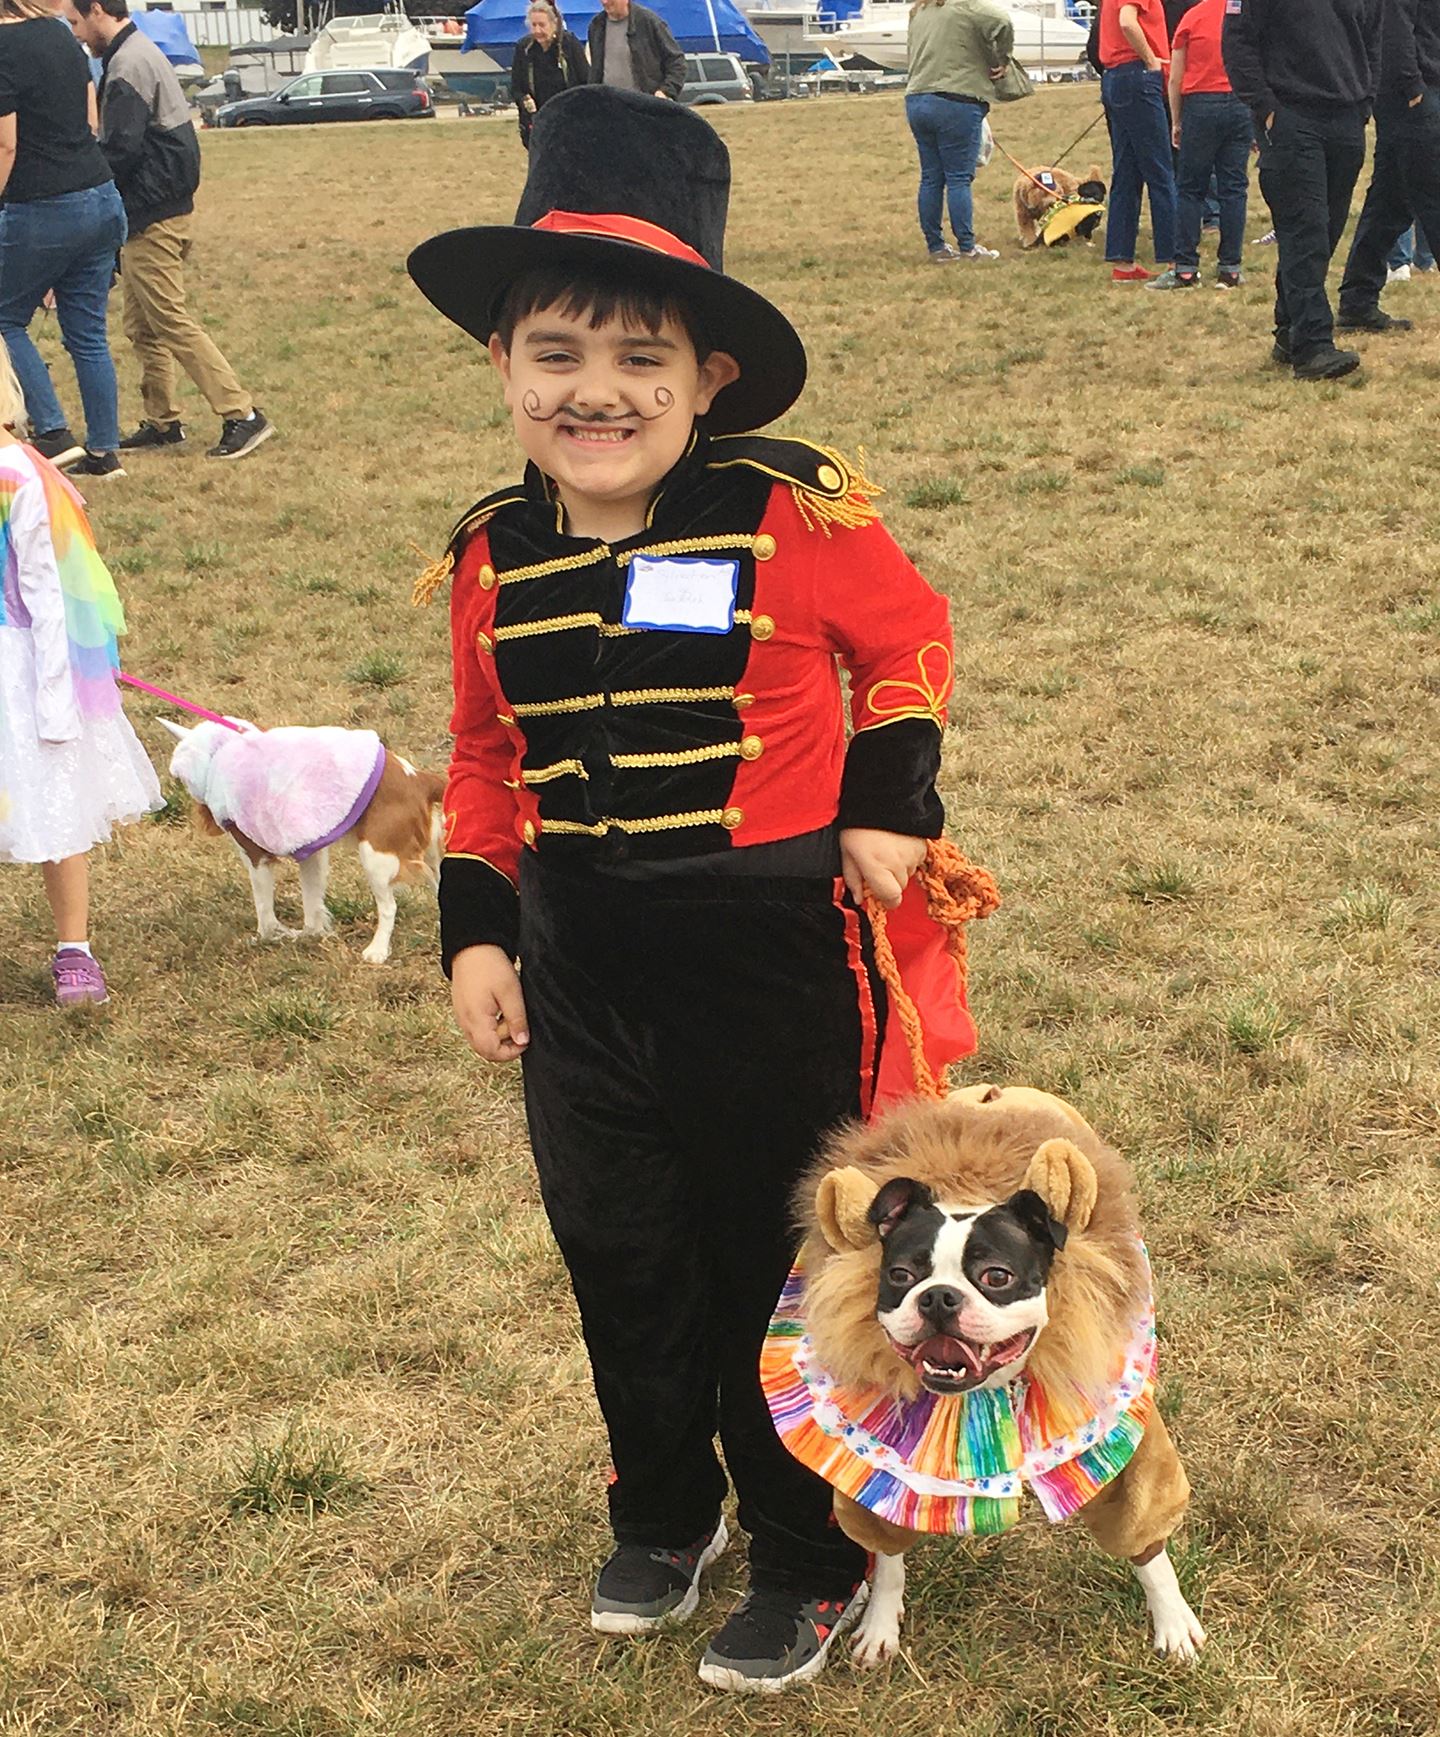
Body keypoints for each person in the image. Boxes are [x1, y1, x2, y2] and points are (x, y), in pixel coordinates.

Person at [407, 85, 973, 1692]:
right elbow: (480, 755)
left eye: (639, 359)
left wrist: (887, 802)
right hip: (582, 968)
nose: (596, 394)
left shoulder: (786, 505)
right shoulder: (488, 551)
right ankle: (663, 1505)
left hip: (768, 955)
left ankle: (805, 1549)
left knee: (767, 1258)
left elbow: (911, 638)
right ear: (506, 365)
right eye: (557, 357)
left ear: (706, 374)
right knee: (618, 1244)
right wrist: (475, 934)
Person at [0, 348, 160, 1005]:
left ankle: (75, 946)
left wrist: (54, 699)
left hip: (19, 668)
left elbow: (46, 592)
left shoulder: (15, 475)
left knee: (51, 803)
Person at [64, 0, 275, 460]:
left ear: (97, 11)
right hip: (157, 209)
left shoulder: (126, 66)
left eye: (76, 22)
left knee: (169, 320)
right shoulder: (136, 52)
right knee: (141, 325)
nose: (76, 35)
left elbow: (120, 150)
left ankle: (242, 414)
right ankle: (163, 422)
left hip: (151, 215)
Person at [1223, 0, 1383, 380]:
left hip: (1347, 118)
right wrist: (1266, 107)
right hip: (1291, 117)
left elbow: (1372, 40)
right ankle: (1313, 346)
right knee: (1305, 230)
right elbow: (1237, 42)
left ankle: (1288, 330)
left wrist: (1366, 99)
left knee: (1324, 233)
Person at [0, 0, 126, 480]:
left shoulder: (3, 47)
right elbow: (90, 117)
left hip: (44, 202)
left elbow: (6, 143)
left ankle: (52, 432)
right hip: (100, 194)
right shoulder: (59, 34)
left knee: (6, 317)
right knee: (88, 333)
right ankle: (103, 451)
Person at [1335, 0, 1440, 336]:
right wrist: (1413, 89)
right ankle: (1357, 300)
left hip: (1417, 98)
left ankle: (1357, 300)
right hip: (1413, 100)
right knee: (1431, 197)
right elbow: (1394, 32)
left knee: (1389, 203)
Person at [904, 0, 1011, 263]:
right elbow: (1003, 21)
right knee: (958, 178)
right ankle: (968, 247)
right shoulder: (966, 5)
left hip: (917, 99)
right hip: (956, 100)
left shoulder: (919, 11)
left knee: (931, 177)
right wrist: (1003, 58)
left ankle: (936, 247)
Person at [1157, 0, 1250, 288]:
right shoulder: (1244, 14)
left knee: (1190, 189)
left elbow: (1175, 78)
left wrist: (1176, 120)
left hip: (1201, 103)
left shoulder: (1192, 18)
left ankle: (1185, 267)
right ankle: (1230, 268)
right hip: (1239, 102)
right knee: (1234, 188)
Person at [1098, 0, 1179, 283]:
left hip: (1116, 78)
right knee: (1161, 171)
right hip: (1137, 76)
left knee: (1127, 172)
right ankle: (1175, 259)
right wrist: (1151, 60)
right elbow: (1127, 21)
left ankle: (1123, 261)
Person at [511, 1, 587, 147]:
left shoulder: (569, 44)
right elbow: (516, 87)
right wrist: (525, 101)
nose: (537, 30)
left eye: (542, 25)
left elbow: (585, 81)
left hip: (569, 120)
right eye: (534, 25)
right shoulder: (524, 49)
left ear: (554, 24)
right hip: (538, 121)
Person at [586, 0, 684, 97]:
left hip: (645, 106)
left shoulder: (649, 22)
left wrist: (666, 91)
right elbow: (595, 70)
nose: (604, 2)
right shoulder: (596, 26)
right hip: (609, 105)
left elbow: (676, 61)